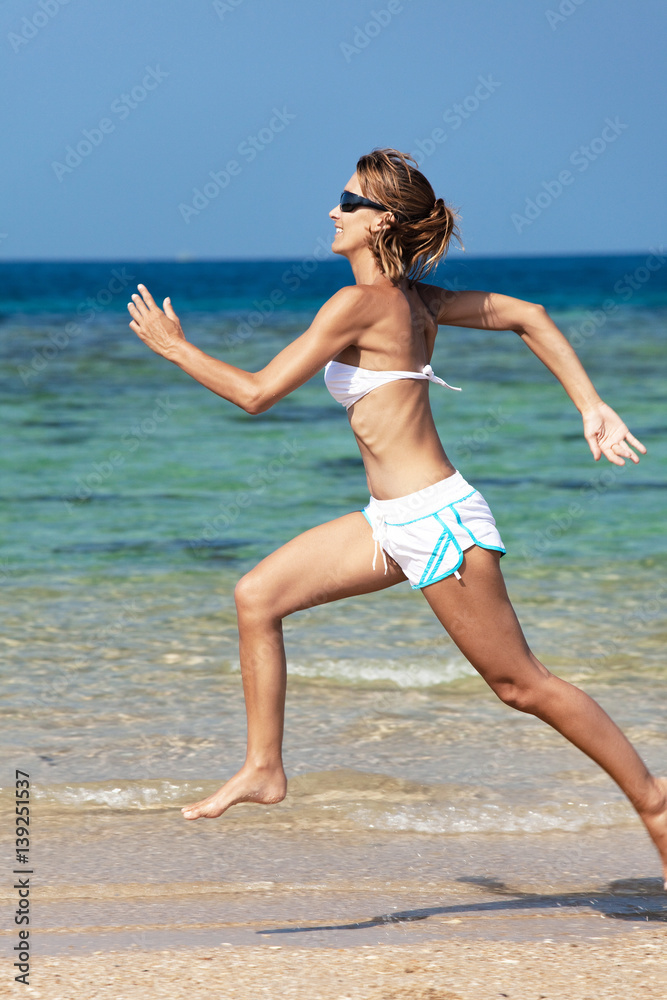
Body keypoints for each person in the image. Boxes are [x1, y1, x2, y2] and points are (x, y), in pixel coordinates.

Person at [127, 148, 666, 887]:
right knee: (257, 596)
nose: (332, 211)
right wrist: (589, 404)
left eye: (346, 201)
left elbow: (255, 395)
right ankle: (263, 766)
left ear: (380, 219)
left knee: (521, 686)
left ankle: (654, 802)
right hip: (390, 520)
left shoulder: (360, 304)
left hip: (437, 520)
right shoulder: (415, 300)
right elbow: (526, 315)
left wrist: (176, 348)